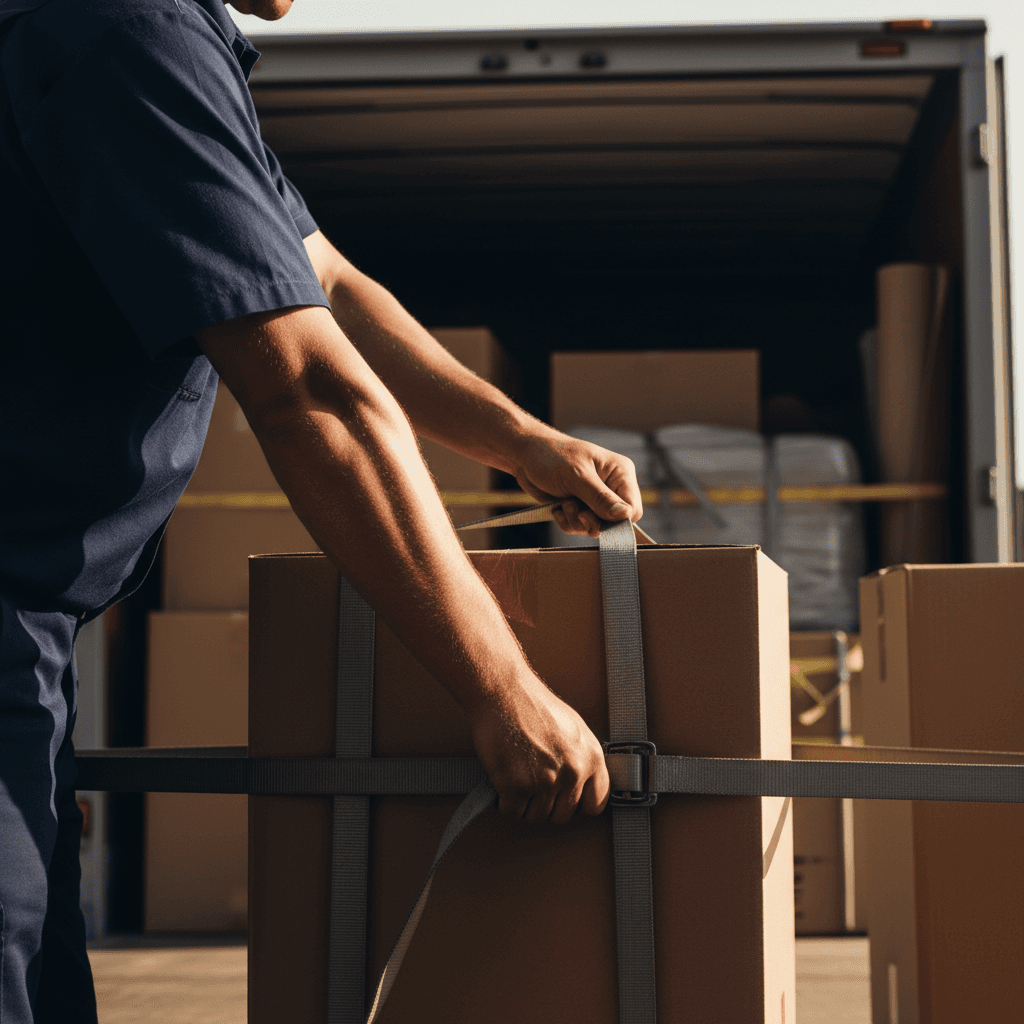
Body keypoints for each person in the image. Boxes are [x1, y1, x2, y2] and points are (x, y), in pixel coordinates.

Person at [0, 0, 643, 1020]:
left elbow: (325, 283)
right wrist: (501, 685)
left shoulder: (147, 34)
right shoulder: (123, 27)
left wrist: (522, 440)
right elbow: (310, 391)